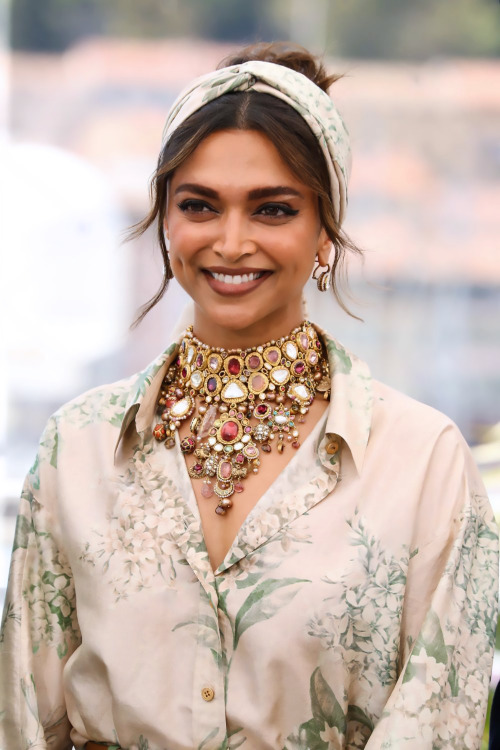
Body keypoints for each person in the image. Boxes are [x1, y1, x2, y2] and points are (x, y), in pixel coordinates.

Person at [0, 42, 498, 750]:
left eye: (272, 210)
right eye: (200, 205)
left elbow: (438, 725)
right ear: (165, 221)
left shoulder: (423, 464)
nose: (231, 242)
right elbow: (23, 717)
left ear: (325, 230)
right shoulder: (75, 448)